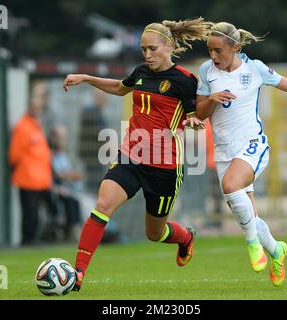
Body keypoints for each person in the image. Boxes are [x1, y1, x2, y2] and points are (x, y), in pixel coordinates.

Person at [63, 17, 210, 291]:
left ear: (168, 46)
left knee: (155, 233)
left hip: (164, 165)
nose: (147, 54)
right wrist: (85, 78)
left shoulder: (185, 80)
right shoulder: (141, 71)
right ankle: (78, 272)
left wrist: (192, 121)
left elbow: (194, 114)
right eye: (144, 49)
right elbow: (121, 88)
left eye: (152, 48)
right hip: (131, 154)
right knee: (103, 205)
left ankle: (185, 237)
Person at [196, 22, 287, 287]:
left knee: (230, 186)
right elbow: (200, 113)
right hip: (225, 152)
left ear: (235, 47)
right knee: (249, 215)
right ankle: (277, 251)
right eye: (210, 50)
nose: (213, 56)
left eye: (218, 50)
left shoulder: (254, 69)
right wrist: (211, 99)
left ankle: (252, 244)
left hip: (253, 145)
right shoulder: (206, 71)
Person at [9, 83, 56, 246]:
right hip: (27, 177)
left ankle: (34, 237)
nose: (37, 110)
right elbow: (14, 155)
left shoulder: (35, 126)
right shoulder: (23, 127)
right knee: (29, 212)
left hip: (40, 178)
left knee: (36, 211)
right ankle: (27, 239)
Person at [49, 124, 84, 242]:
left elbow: (67, 175)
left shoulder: (63, 156)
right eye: (61, 138)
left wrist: (71, 177)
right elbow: (56, 175)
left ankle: (76, 230)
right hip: (53, 188)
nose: (64, 141)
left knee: (78, 199)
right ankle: (72, 232)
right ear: (53, 138)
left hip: (68, 189)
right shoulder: (49, 155)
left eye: (64, 138)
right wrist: (69, 176)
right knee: (71, 200)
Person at [79, 88, 108, 194]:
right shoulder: (90, 112)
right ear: (96, 98)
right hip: (92, 156)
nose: (104, 101)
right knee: (92, 186)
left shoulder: (99, 113)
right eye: (102, 98)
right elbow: (97, 134)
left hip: (99, 157)